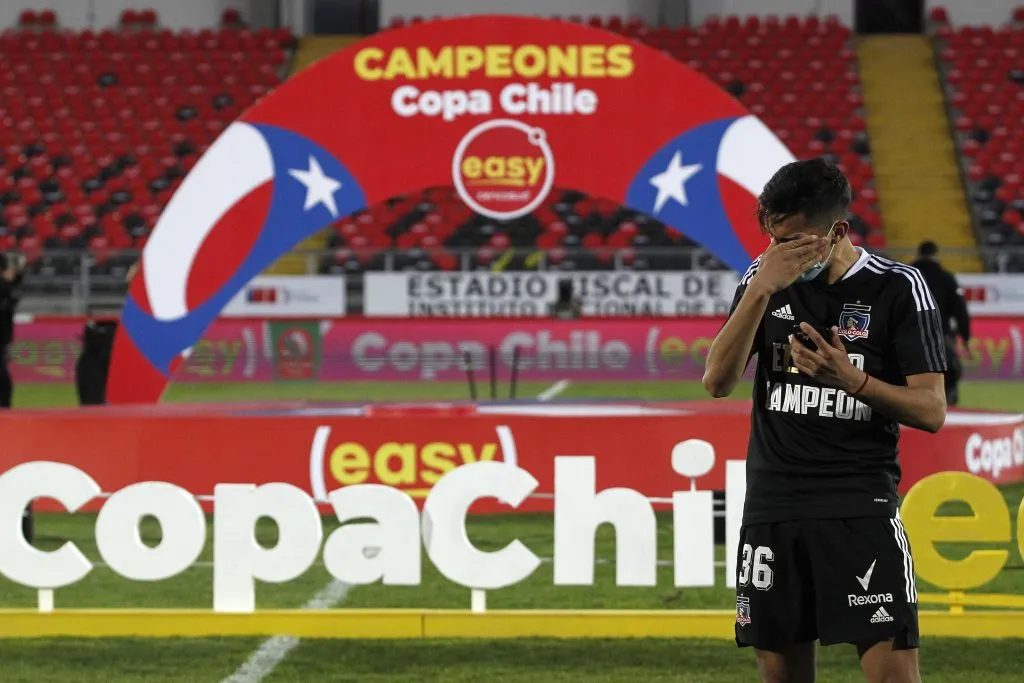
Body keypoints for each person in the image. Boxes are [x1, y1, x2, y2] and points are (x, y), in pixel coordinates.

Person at [703, 159, 947, 683]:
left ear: (837, 231)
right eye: (773, 237)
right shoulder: (762, 277)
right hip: (773, 505)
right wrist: (760, 289)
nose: (780, 251)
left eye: (794, 241)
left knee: (894, 676)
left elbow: (932, 410)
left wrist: (852, 380)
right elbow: (717, 381)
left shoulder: (899, 287)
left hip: (858, 506)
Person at [911, 241, 971, 405]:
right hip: (940, 336)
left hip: (909, 336)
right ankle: (949, 410)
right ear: (936, 255)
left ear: (919, 253)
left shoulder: (905, 276)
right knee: (949, 376)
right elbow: (960, 310)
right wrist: (965, 337)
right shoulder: (946, 278)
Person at [0, 250, 26, 408]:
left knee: (1, 371)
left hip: (2, 335)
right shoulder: (7, 286)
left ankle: (5, 405)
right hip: (4, 335)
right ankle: (5, 405)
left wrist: (16, 273)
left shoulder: (7, 287)